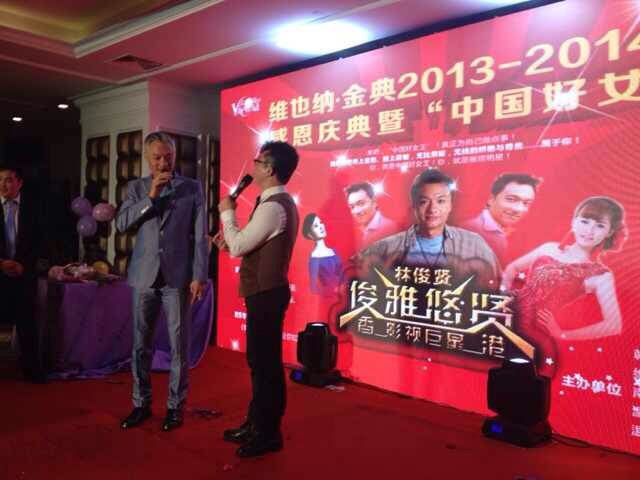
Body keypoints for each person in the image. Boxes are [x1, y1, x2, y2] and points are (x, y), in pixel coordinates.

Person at [115, 132, 208, 432]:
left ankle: (174, 407)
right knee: (140, 345)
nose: (164, 162)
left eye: (168, 156)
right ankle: (140, 404)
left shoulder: (192, 188)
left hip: (177, 278)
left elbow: (200, 236)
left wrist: (199, 275)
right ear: (147, 157)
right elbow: (122, 223)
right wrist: (151, 196)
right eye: (157, 157)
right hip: (144, 276)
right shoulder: (136, 188)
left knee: (179, 346)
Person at [213, 141, 299, 458]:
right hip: (262, 293)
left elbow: (239, 246)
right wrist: (230, 240)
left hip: (266, 294)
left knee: (266, 365)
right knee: (258, 362)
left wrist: (227, 214)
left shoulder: (274, 207)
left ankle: (268, 433)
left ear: (269, 169)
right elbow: (244, 244)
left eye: (258, 161)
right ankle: (255, 423)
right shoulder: (269, 202)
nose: (253, 165)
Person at [501, 196, 626, 376]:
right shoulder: (549, 248)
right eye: (585, 221)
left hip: (533, 332)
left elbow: (614, 325)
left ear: (609, 232)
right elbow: (511, 269)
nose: (589, 231)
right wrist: (503, 295)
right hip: (505, 315)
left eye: (599, 225)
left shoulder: (600, 275)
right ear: (574, 221)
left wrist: (563, 334)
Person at [353, 169, 500, 289]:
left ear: (450, 205)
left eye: (440, 201)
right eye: (424, 202)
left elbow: (495, 287)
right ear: (414, 206)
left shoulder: (474, 244)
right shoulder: (387, 247)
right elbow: (356, 271)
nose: (432, 209)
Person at [0, 165, 45, 382]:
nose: (3, 185)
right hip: (0, 270)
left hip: (23, 273)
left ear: (19, 183)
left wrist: (23, 266)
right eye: (0, 180)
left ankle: (32, 370)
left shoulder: (34, 208)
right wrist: (2, 263)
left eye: (8, 180)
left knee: (27, 321)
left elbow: (41, 243)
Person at [462, 173, 540, 264]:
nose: (518, 209)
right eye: (511, 199)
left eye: (526, 203)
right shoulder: (470, 230)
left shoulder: (510, 235)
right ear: (491, 199)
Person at [345, 182, 398, 248]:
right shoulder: (357, 232)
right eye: (352, 207)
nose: (356, 211)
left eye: (361, 204)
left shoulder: (389, 228)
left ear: (374, 202)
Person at [301, 213, 342, 296]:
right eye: (316, 226)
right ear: (310, 235)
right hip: (330, 297)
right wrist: (332, 290)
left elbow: (341, 274)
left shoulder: (333, 251)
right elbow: (313, 288)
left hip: (343, 295)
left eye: (321, 222)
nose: (320, 226)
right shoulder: (314, 257)